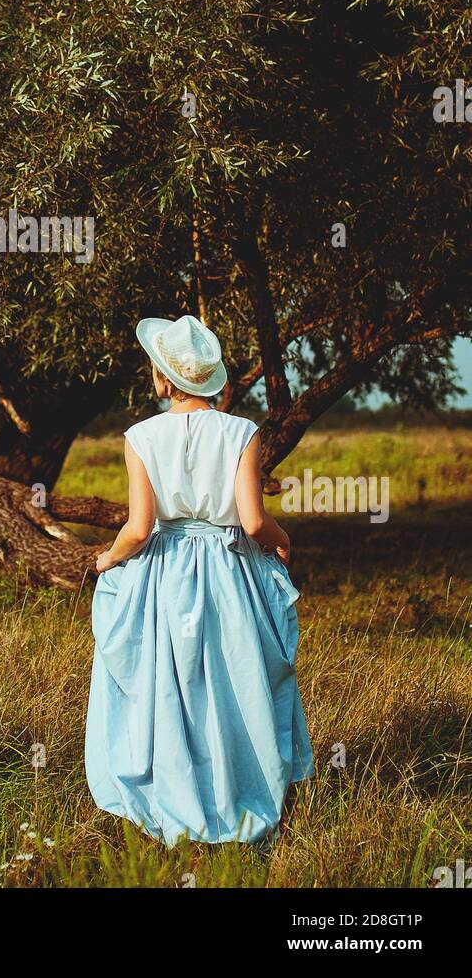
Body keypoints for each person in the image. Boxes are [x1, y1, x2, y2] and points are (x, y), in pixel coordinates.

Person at [85, 314, 314, 845]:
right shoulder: (242, 432)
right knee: (235, 681)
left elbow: (139, 528)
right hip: (228, 568)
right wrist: (282, 539)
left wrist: (106, 559)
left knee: (170, 683)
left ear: (165, 378)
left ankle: (175, 791)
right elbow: (253, 521)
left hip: (165, 574)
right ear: (209, 379)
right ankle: (239, 793)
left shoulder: (140, 436)